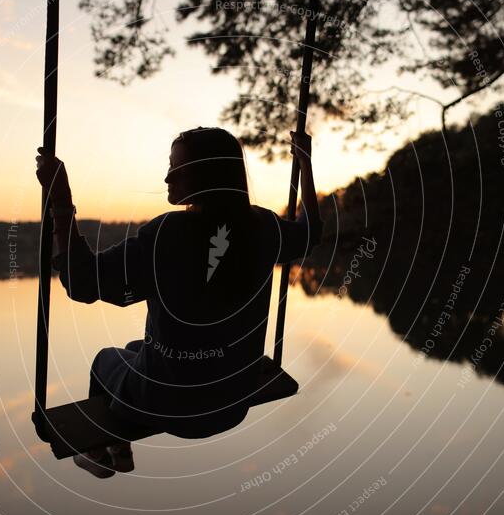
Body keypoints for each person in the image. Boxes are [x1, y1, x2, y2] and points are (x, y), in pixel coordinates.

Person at [35, 127, 322, 478]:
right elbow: (311, 233)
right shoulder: (264, 227)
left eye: (178, 169)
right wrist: (305, 165)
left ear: (207, 175)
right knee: (135, 348)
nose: (167, 176)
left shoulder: (165, 236)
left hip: (172, 408)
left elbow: (81, 282)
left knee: (105, 360)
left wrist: (60, 199)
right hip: (233, 402)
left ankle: (107, 449)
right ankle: (118, 445)